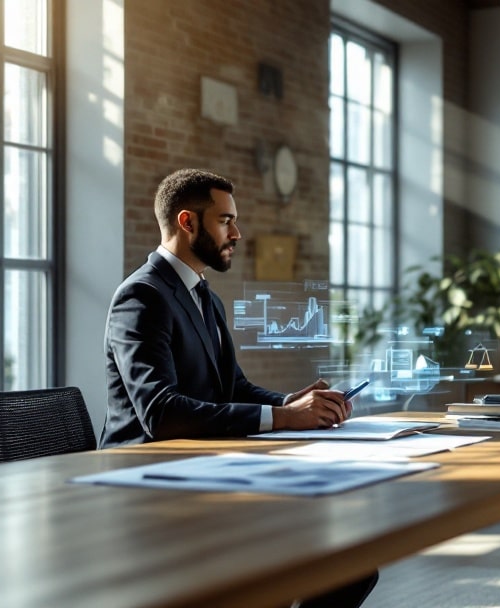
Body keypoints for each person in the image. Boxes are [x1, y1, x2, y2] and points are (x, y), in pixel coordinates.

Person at [101, 168, 377, 608]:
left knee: (351, 562)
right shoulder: (142, 296)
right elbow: (159, 412)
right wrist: (285, 418)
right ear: (188, 222)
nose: (238, 232)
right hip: (146, 486)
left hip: (206, 471)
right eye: (226, 220)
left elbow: (234, 386)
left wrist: (294, 403)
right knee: (294, 570)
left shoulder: (207, 297)